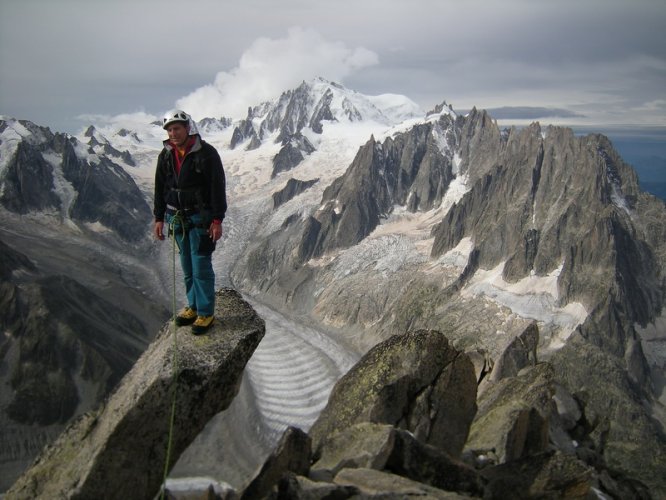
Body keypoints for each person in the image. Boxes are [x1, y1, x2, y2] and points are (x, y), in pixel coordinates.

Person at [153, 109, 227, 334]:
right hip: (176, 217)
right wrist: (158, 217)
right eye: (169, 129)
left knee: (201, 266)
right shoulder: (166, 155)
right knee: (187, 266)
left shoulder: (206, 153)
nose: (173, 133)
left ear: (187, 128)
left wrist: (217, 219)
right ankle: (193, 307)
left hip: (199, 218)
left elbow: (217, 186)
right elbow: (160, 187)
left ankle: (205, 313)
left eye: (177, 128)